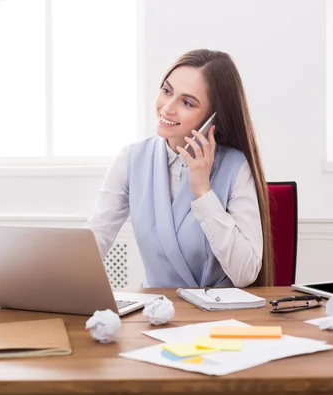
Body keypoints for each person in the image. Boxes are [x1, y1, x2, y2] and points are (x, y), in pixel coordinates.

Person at [84, 49, 273, 288]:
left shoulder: (236, 167)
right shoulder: (132, 159)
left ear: (214, 118)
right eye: (166, 91)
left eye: (187, 102)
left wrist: (204, 192)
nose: (167, 108)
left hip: (221, 315)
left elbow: (246, 273)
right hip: (156, 313)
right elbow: (96, 237)